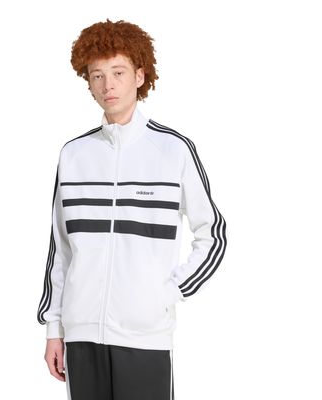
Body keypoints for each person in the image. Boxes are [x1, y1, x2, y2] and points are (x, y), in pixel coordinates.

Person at [37, 18, 227, 400]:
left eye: (118, 73)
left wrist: (167, 293)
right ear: (88, 83)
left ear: (140, 76)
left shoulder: (173, 150)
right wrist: (54, 328)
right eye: (97, 76)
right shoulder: (73, 155)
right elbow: (61, 250)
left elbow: (213, 235)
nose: (108, 85)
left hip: (145, 337)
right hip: (81, 336)